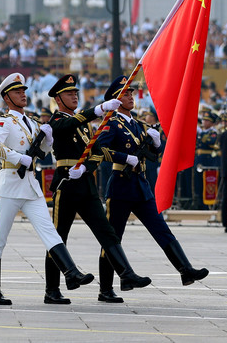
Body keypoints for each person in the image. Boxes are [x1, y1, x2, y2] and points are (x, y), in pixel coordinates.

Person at [93, 75, 208, 302]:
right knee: (113, 238)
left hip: (141, 186)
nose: (130, 96)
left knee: (161, 229)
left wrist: (156, 144)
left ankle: (185, 270)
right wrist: (125, 157)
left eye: (131, 93)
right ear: (116, 98)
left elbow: (153, 157)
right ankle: (106, 289)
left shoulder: (137, 124)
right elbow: (98, 149)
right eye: (126, 93)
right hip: (120, 186)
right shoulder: (111, 123)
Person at [0, 72, 94, 306]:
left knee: (49, 232)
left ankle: (71, 273)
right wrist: (17, 157)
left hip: (30, 185)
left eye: (23, 90)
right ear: (6, 97)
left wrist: (47, 139)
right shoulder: (5, 121)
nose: (23, 94)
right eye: (17, 92)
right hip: (10, 184)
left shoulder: (31, 122)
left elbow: (41, 152)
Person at [43, 74, 150, 305]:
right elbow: (67, 125)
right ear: (58, 99)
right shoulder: (56, 121)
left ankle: (126, 273)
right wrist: (98, 109)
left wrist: (86, 168)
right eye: (69, 94)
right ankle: (52, 289)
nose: (74, 96)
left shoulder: (84, 127)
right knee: (58, 237)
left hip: (85, 184)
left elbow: (97, 152)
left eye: (75, 93)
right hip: (66, 184)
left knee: (106, 231)